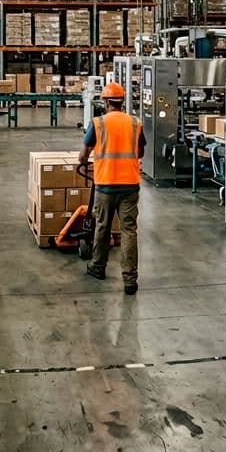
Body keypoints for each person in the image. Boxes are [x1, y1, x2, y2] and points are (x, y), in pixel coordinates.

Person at [79, 82, 146, 295]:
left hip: (106, 184)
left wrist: (85, 159)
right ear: (122, 101)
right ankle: (130, 280)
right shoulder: (135, 123)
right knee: (129, 230)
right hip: (130, 186)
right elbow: (140, 152)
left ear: (106, 101)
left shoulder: (98, 123)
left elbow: (84, 153)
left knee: (102, 226)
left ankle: (98, 267)